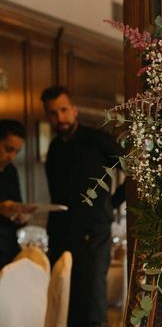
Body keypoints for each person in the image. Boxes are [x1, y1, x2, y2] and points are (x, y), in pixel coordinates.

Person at [41, 86, 124, 327]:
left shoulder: (97, 140)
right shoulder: (55, 148)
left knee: (91, 300)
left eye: (64, 110)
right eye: (53, 113)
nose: (60, 117)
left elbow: (132, 168)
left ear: (74, 110)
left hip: (94, 233)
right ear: (48, 116)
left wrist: (112, 202)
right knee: (63, 298)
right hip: (59, 232)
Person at [0, 119, 33, 269]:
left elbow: (18, 203)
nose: (12, 157)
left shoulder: (11, 171)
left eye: (17, 152)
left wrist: (22, 217)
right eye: (8, 149)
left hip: (8, 249)